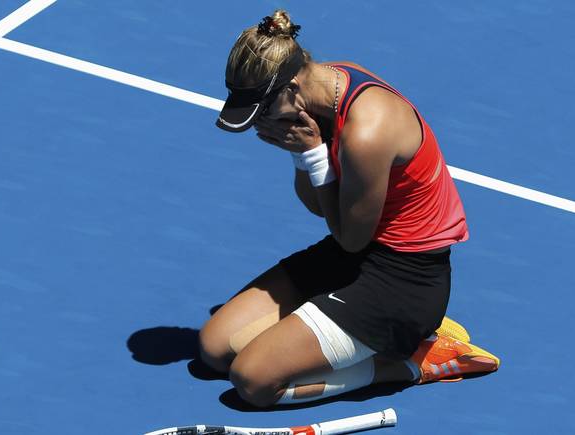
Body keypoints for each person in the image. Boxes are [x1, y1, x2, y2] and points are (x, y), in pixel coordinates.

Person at [199, 9, 499, 408]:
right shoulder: (324, 82)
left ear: (290, 88)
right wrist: (302, 155)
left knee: (252, 381)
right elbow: (317, 207)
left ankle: (414, 361)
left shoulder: (368, 131)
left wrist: (313, 155)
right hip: (354, 255)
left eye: (262, 110)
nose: (259, 124)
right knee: (214, 349)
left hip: (403, 284)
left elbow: (352, 238)